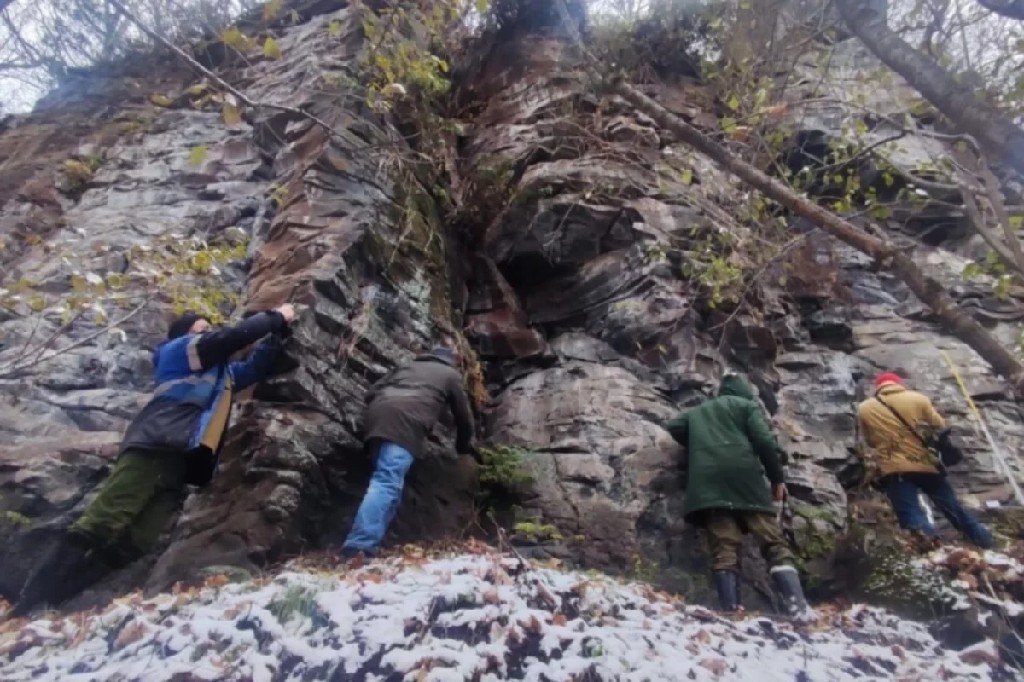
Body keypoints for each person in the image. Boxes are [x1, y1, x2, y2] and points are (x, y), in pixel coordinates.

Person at [13, 305, 296, 615]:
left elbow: (255, 368)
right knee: (100, 523)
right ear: (185, 335)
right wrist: (275, 316)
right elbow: (228, 339)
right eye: (201, 329)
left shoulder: (222, 375)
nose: (207, 333)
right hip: (154, 445)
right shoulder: (176, 352)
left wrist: (277, 335)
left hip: (181, 463)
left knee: (134, 544)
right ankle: (26, 605)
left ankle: (54, 603)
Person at [664, 373, 811, 618]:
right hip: (745, 478)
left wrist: (701, 442)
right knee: (772, 541)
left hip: (709, 482)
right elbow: (764, 441)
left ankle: (731, 609)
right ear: (743, 391)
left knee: (724, 546)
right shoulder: (746, 406)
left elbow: (674, 426)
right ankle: (797, 606)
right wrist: (777, 479)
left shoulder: (698, 411)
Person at [341, 345, 476, 558]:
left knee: (390, 485)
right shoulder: (450, 374)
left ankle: (369, 544)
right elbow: (463, 416)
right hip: (405, 423)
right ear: (452, 361)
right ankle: (359, 546)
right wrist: (464, 446)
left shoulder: (406, 366)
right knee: (386, 481)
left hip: (377, 419)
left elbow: (371, 393)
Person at [857, 372, 992, 548]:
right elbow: (940, 425)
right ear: (898, 383)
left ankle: (930, 547)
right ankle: (983, 541)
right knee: (952, 507)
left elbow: (870, 441)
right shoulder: (918, 399)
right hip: (927, 464)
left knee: (910, 511)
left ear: (878, 387)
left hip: (895, 468)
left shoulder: (865, 408)